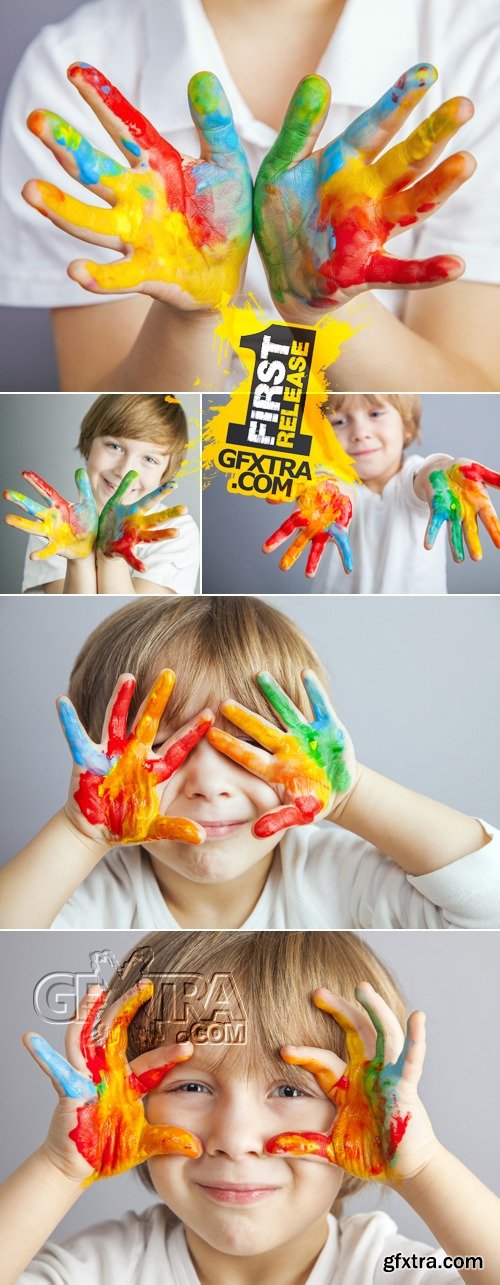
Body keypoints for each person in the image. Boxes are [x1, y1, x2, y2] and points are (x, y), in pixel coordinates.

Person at [1, 0, 499, 392]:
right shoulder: (72, 70)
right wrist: (194, 313)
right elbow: (120, 417)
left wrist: (325, 304)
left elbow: (472, 393)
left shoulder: (479, 51)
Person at [1, 930, 498, 1283]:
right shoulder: (101, 1268)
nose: (235, 1141)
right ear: (133, 1101)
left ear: (365, 1117)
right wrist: (60, 1167)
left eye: (289, 1091)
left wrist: (422, 1168)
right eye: (191, 1088)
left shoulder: (390, 1269)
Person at [1, 596, 499, 930]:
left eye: (247, 748)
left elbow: (488, 902)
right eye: (159, 749)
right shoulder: (82, 898)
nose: (210, 785)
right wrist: (79, 833)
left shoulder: (342, 877)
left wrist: (352, 795)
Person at [261, 394, 500, 594]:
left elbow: (425, 476)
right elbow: (337, 483)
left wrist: (443, 472)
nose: (360, 433)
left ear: (406, 427)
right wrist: (330, 491)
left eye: (375, 414)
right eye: (339, 421)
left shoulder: (414, 478)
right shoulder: (334, 487)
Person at [3, 394, 200, 594]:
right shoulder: (55, 525)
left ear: (165, 473)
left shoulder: (175, 530)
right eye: (115, 447)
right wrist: (80, 559)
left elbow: (136, 618)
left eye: (149, 459)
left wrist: (110, 557)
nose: (125, 471)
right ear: (89, 446)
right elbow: (73, 612)